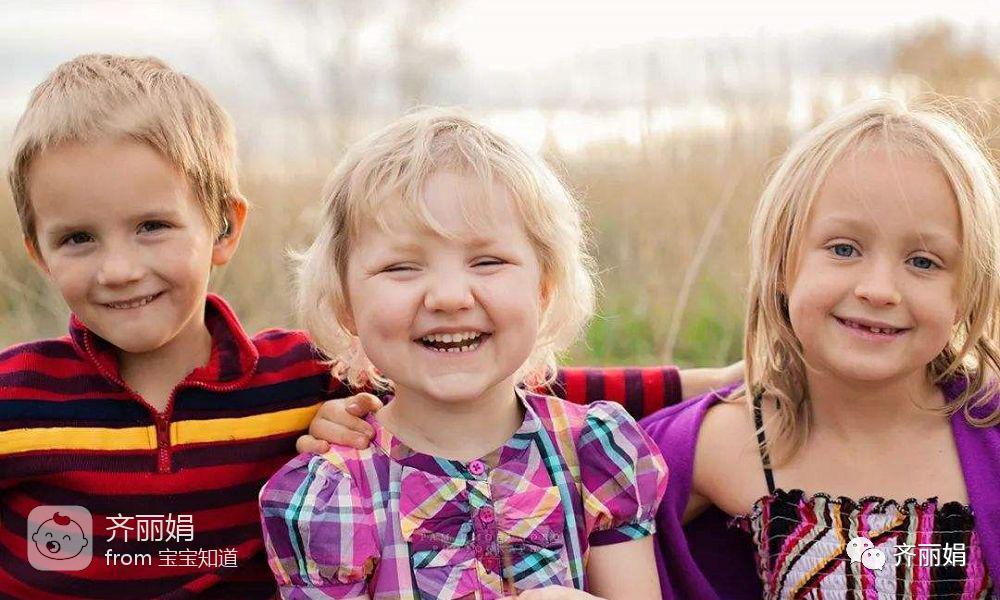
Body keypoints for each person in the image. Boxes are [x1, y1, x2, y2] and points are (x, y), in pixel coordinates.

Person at [0, 53, 736, 599]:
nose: (119, 269)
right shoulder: (16, 399)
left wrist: (711, 380)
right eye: (78, 239)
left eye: (152, 227)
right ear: (37, 251)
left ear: (224, 229)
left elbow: (515, 385)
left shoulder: (297, 377)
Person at [259, 108, 669, 599]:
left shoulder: (595, 453)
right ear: (346, 304)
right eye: (401, 267)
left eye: (488, 261)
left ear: (543, 289)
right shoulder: (334, 494)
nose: (449, 297)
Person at [647, 97, 999, 598]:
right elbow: (542, 425)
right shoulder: (724, 444)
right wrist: (679, 384)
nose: (879, 290)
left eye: (923, 262)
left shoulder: (991, 434)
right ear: (782, 263)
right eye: (844, 249)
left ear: (968, 291)